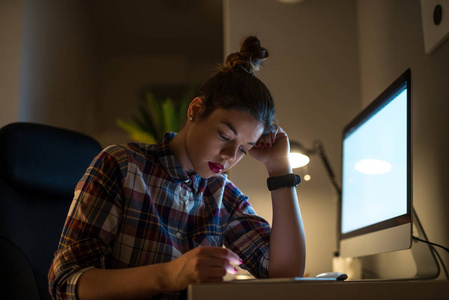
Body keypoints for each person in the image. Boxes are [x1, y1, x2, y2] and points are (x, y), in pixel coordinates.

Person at [48, 36, 306, 300]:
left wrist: (279, 168)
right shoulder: (122, 165)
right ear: (196, 110)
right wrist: (169, 275)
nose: (230, 156)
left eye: (244, 148)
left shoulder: (222, 195)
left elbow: (284, 274)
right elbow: (66, 282)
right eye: (225, 136)